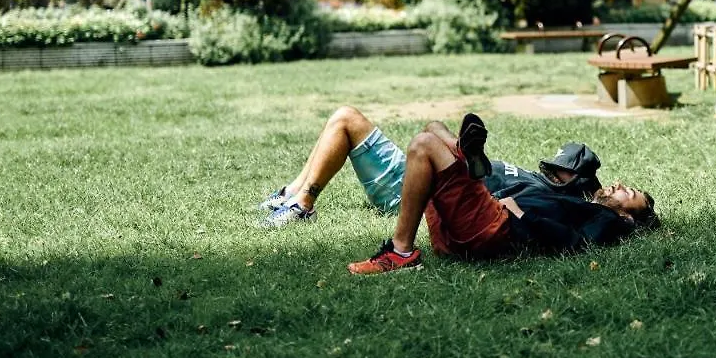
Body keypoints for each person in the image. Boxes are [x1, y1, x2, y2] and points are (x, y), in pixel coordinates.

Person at [347, 113, 658, 275]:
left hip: (496, 226)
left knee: (423, 144)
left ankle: (400, 252)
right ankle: (461, 150)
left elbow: (575, 243)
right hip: (466, 232)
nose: (620, 185)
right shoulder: (585, 206)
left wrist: (518, 213)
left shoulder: (610, 221)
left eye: (628, 193)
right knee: (432, 128)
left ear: (628, 216)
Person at [259, 105, 606, 229]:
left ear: (576, 180)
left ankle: (302, 205)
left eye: (561, 169)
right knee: (430, 125)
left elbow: (499, 207)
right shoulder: (537, 180)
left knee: (346, 119)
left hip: (420, 188)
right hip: (432, 173)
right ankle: (292, 193)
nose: (553, 169)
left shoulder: (548, 196)